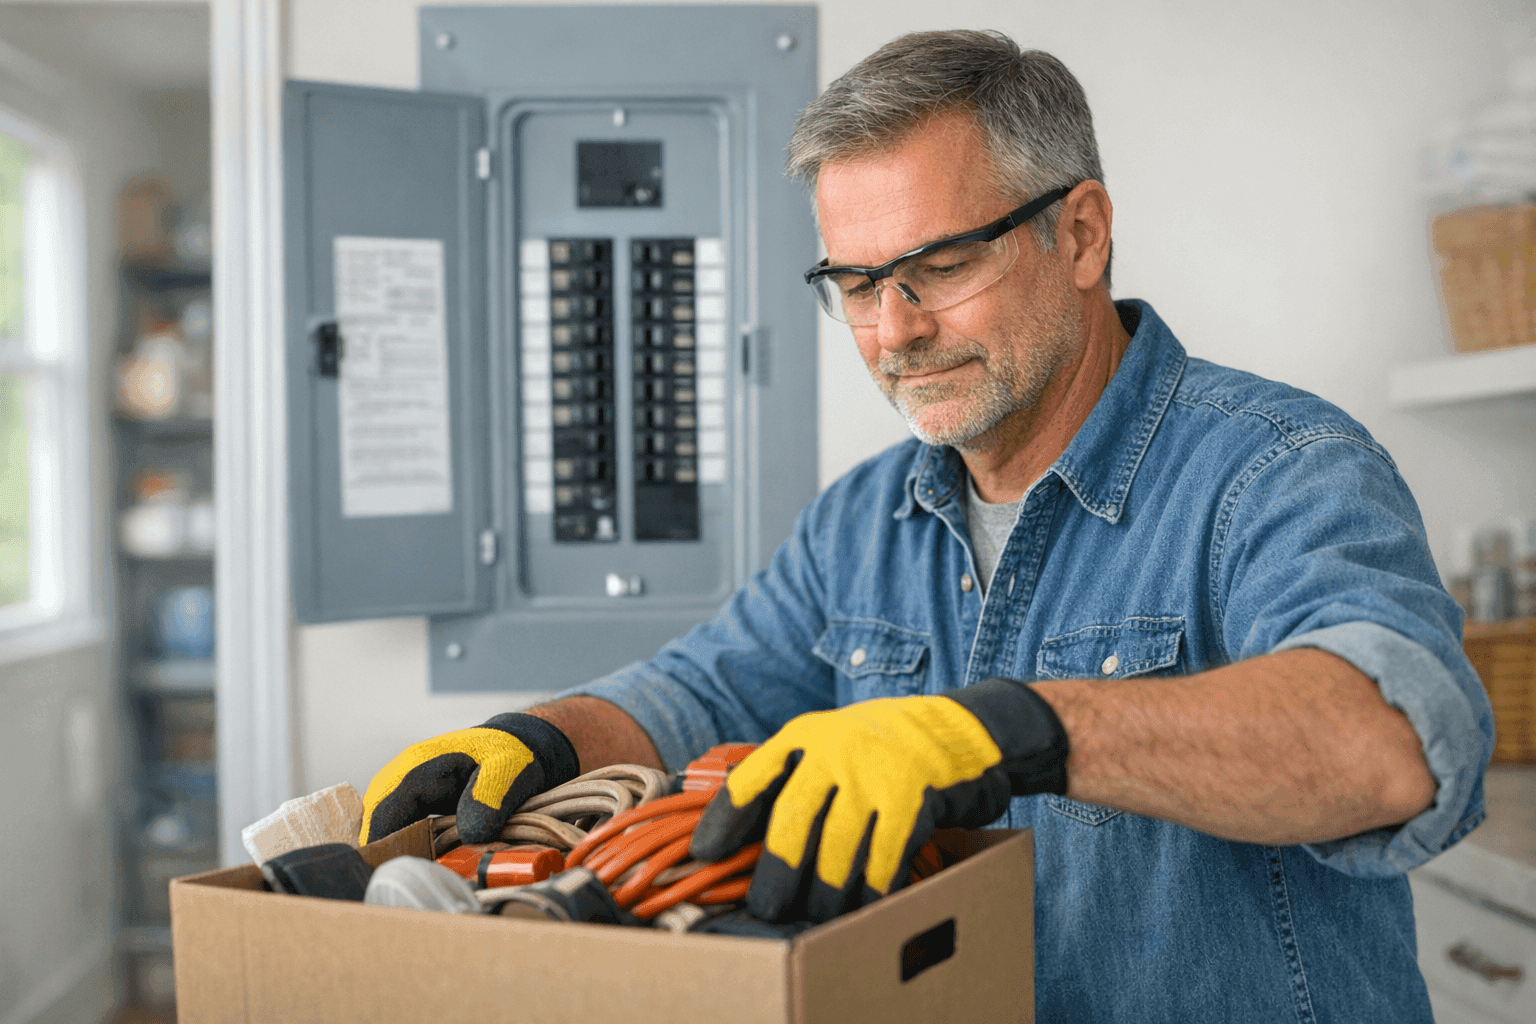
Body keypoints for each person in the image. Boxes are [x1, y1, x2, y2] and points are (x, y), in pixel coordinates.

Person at [360, 30, 1492, 1021]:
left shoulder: (1279, 470)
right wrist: (545, 735)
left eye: (940, 266)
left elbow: (1390, 745)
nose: (894, 331)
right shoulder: (863, 523)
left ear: (1083, 234)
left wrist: (1016, 729)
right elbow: (698, 693)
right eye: (855, 283)